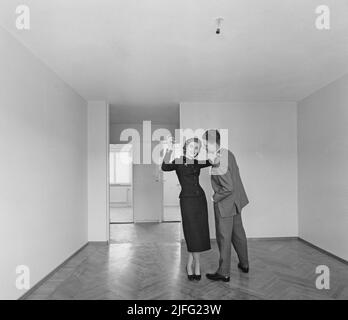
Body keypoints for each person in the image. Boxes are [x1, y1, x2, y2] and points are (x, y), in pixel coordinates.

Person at [202, 129, 249, 282]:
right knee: (238, 235)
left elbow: (227, 187)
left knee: (224, 238)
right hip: (236, 202)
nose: (203, 146)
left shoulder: (217, 159)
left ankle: (224, 273)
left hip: (224, 205)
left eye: (204, 143)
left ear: (210, 142)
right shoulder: (228, 153)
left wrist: (215, 197)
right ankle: (245, 264)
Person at [161, 137, 211, 281]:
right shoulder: (178, 161)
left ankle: (192, 264)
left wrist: (212, 149)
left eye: (197, 148)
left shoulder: (197, 162)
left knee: (199, 232)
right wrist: (169, 149)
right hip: (187, 200)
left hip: (200, 199)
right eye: (191, 147)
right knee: (191, 232)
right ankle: (195, 265)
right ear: (185, 147)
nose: (194, 150)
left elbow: (212, 161)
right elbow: (164, 167)